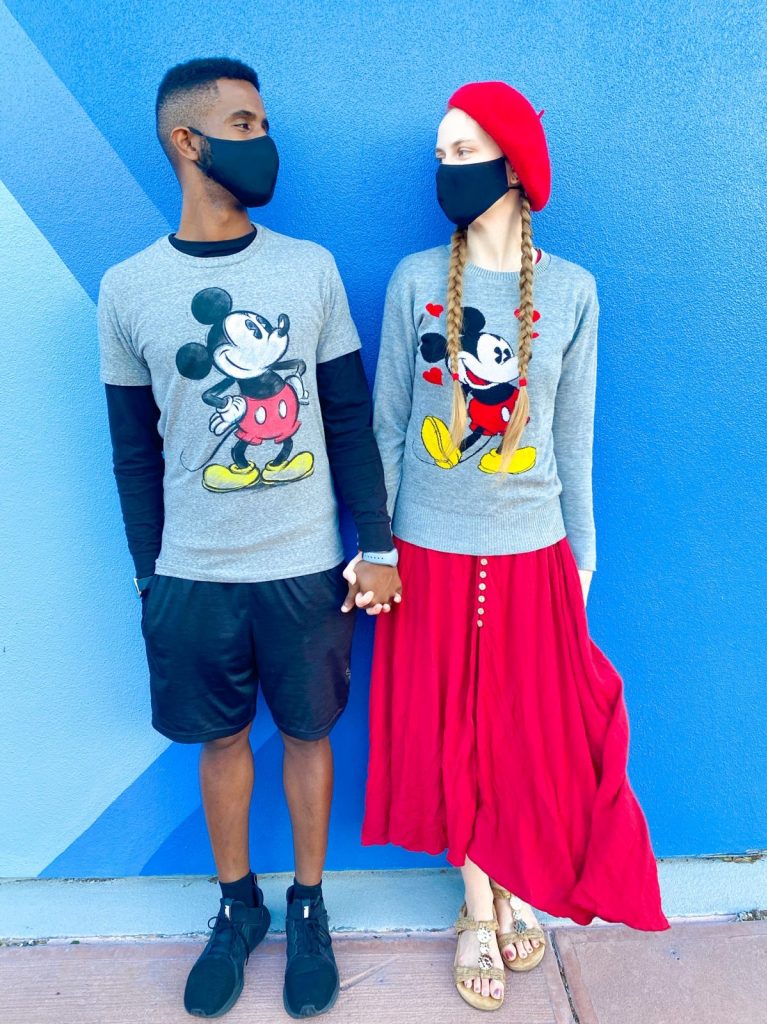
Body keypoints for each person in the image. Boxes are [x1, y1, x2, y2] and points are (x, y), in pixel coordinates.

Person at [97, 57, 401, 1020]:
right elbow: (132, 456)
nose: (262, 140)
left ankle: (310, 906)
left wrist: (381, 544)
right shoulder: (126, 289)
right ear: (189, 143)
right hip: (192, 576)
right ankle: (239, 910)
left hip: (306, 568)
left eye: (261, 120)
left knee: (309, 737)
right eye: (242, 122)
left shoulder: (308, 270)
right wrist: (149, 580)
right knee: (222, 742)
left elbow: (349, 418)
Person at [362, 80, 670, 1012]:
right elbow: (384, 426)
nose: (447, 168)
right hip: (427, 552)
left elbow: (574, 436)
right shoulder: (417, 280)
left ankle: (519, 880)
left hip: (534, 553)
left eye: (464, 151)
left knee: (529, 734)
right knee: (450, 725)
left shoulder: (574, 290)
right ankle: (476, 905)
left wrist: (582, 556)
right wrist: (376, 547)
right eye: (442, 154)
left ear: (514, 163)